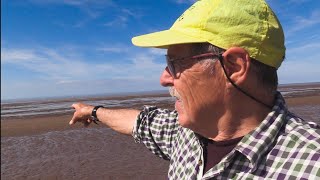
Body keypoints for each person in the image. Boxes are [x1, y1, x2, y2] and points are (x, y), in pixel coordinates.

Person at [70, 0, 320, 179]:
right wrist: (91, 111)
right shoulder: (187, 134)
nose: (164, 78)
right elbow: (140, 123)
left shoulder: (310, 164)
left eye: (174, 64)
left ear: (233, 66)